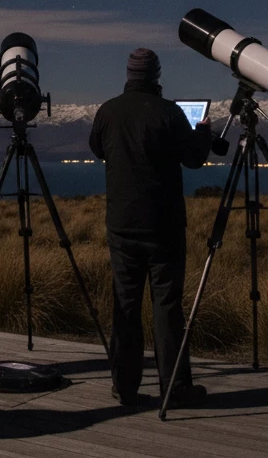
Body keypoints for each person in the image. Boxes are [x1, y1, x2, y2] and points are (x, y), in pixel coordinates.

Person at [89, 47, 212, 408]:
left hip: (122, 224)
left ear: (129, 74)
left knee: (124, 305)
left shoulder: (107, 111)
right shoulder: (170, 113)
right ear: (155, 75)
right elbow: (194, 160)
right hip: (164, 226)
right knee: (167, 307)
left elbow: (97, 148)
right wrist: (203, 133)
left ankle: (124, 386)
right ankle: (175, 387)